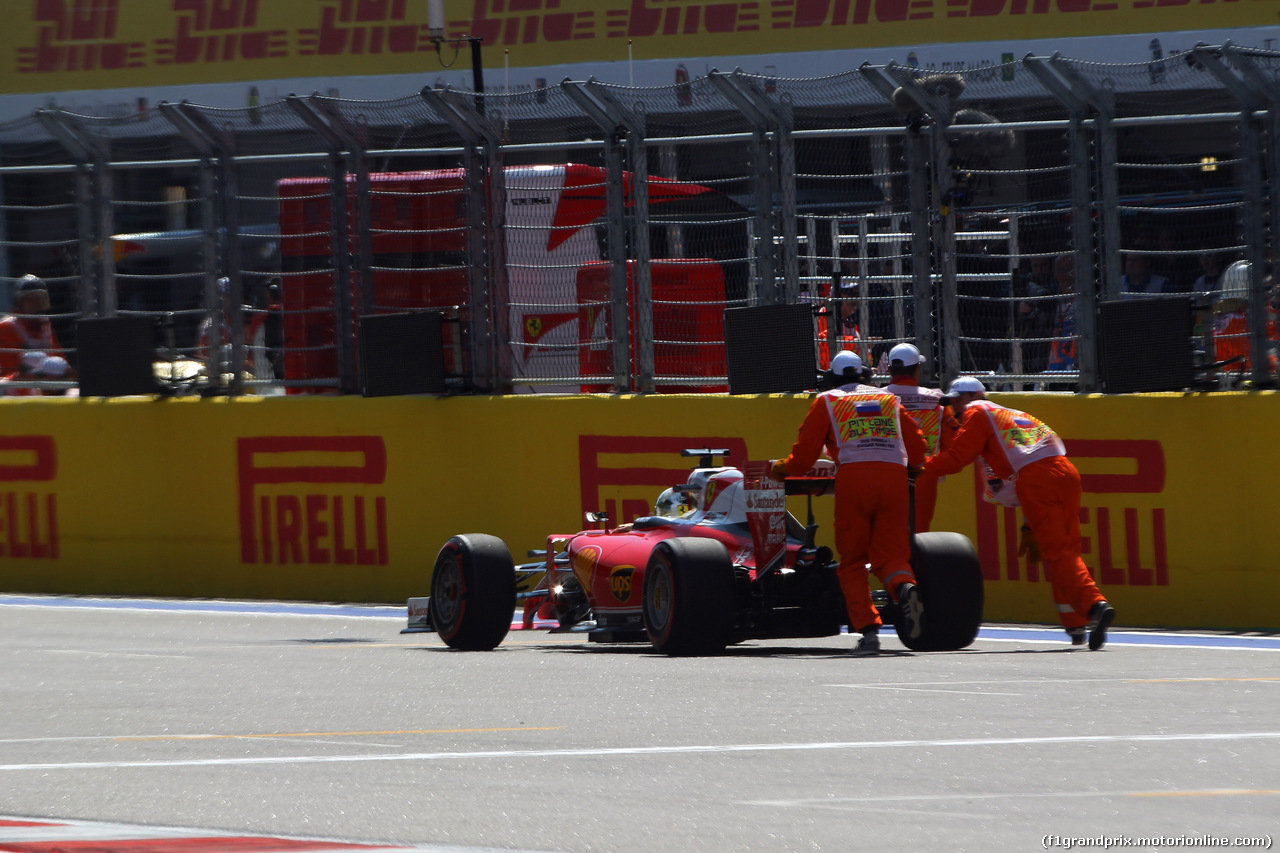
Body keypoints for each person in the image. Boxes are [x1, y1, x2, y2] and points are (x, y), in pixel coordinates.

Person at [922, 377, 1116, 649]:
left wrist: (919, 466)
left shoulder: (978, 410)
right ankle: (1075, 623)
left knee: (1059, 552)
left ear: (973, 396)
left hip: (1037, 480)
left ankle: (1095, 606)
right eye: (950, 402)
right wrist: (1028, 525)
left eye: (957, 400)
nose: (954, 408)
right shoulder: (1013, 413)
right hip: (1065, 472)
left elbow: (956, 459)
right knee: (1067, 550)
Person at [771, 350, 928, 655]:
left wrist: (783, 468)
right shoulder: (889, 400)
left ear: (832, 376)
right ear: (864, 375)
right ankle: (905, 588)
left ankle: (869, 633)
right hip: (894, 478)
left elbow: (802, 460)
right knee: (892, 556)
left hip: (854, 480)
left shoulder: (827, 401)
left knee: (853, 561)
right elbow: (919, 450)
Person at [882, 342, 957, 532]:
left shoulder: (873, 398)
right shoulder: (937, 400)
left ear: (890, 370)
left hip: (883, 471)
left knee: (884, 534)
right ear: (918, 369)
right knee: (918, 534)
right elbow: (951, 447)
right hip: (924, 474)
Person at [0, 275, 61, 376]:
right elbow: (10, 369)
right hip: (14, 386)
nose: (35, 304)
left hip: (44, 383)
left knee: (74, 391)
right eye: (29, 299)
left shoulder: (45, 324)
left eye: (38, 299)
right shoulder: (7, 326)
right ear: (20, 302)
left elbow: (57, 355)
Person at [1045, 255, 1078, 373]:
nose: (1065, 274)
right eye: (1061, 270)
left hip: (1076, 357)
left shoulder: (1083, 298)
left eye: (1069, 269)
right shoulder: (1051, 299)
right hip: (1055, 358)